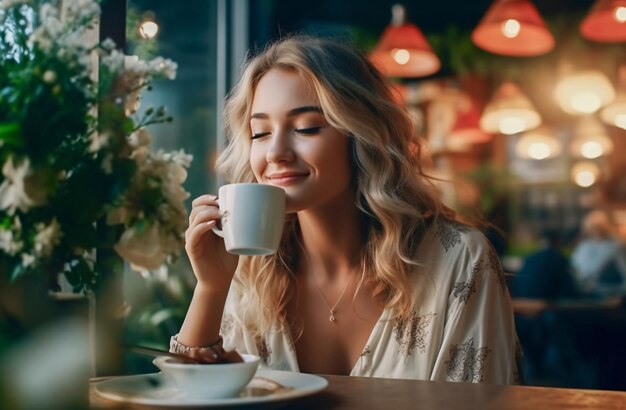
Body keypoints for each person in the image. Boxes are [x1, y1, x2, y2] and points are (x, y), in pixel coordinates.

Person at [174, 35, 520, 384]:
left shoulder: (458, 260)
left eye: (306, 127)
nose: (275, 152)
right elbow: (189, 393)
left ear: (360, 135)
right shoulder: (251, 269)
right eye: (260, 133)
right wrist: (211, 288)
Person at [570, 210, 626, 298]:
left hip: (608, 292)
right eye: (593, 227)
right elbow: (574, 268)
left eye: (599, 227)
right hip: (583, 292)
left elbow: (623, 270)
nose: (596, 231)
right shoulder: (583, 247)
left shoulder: (616, 246)